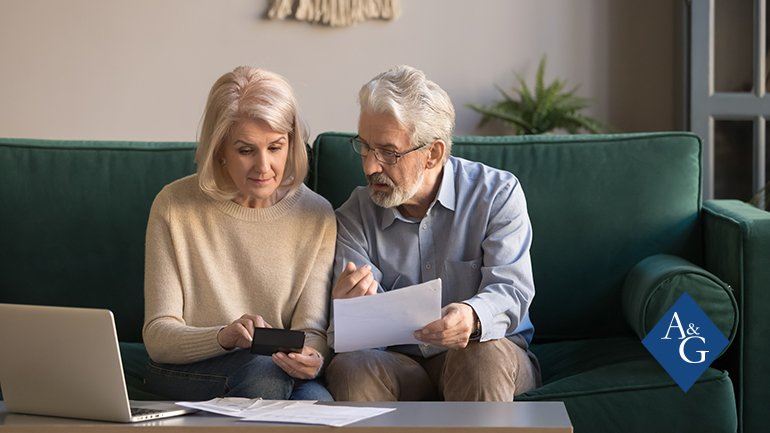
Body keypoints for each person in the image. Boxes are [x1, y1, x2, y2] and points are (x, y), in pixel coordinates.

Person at [325, 65, 542, 401]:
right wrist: (347, 311)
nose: (370, 166)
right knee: (353, 367)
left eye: (388, 152)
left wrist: (472, 316)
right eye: (365, 147)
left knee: (481, 356)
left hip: (488, 353)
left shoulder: (497, 194)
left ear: (434, 154)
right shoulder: (354, 213)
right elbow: (347, 338)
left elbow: (511, 291)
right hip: (399, 363)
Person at [142, 66, 335, 401]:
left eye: (275, 147)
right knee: (263, 375)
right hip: (191, 367)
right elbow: (158, 336)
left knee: (319, 402)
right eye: (246, 150)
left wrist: (313, 358)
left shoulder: (317, 215)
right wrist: (223, 336)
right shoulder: (173, 205)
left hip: (278, 370)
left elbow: (312, 330)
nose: (264, 167)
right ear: (220, 150)